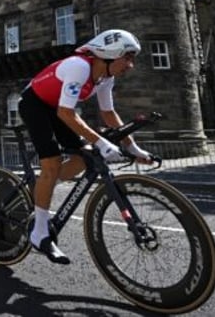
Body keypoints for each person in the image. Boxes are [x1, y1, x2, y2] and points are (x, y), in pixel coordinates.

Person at [18, 29, 153, 264]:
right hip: (35, 103)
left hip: (56, 109)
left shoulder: (105, 78)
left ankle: (41, 187)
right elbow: (66, 113)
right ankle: (39, 233)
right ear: (110, 54)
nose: (130, 65)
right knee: (52, 161)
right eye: (128, 57)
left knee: (85, 157)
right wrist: (100, 141)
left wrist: (134, 149)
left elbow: (108, 113)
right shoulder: (79, 67)